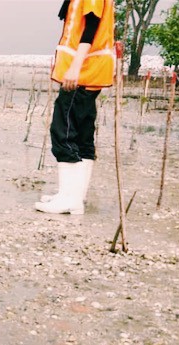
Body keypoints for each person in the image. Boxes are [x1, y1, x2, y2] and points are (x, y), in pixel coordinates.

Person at [35, 0, 114, 214]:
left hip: (83, 72)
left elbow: (91, 26)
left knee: (64, 133)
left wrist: (75, 68)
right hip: (91, 72)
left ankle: (69, 199)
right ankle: (72, 197)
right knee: (82, 136)